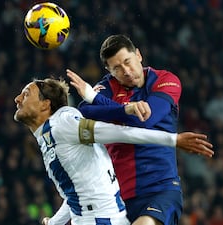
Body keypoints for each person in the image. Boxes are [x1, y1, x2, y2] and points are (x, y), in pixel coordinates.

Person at [13, 77, 213, 225]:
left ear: (46, 104)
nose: (17, 99)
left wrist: (174, 139)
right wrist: (55, 223)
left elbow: (120, 133)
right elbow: (76, 195)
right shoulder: (48, 136)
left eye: (26, 94)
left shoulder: (63, 122)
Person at [66, 34, 209, 225]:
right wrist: (125, 109)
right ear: (109, 70)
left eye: (128, 61)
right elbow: (84, 113)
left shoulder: (165, 80)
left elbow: (145, 121)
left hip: (160, 187)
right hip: (116, 195)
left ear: (139, 55)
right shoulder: (108, 87)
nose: (126, 71)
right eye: (117, 68)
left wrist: (100, 101)